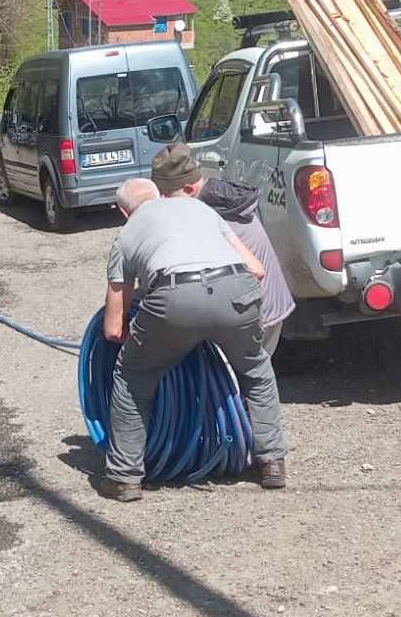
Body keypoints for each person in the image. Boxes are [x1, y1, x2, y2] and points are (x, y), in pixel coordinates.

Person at [97, 176, 288, 501]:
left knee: (131, 378)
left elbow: (113, 329)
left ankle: (124, 478)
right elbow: (256, 269)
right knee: (255, 369)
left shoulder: (126, 234)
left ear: (123, 212)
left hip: (174, 297)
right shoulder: (199, 209)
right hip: (237, 289)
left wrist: (159, 338)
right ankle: (272, 463)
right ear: (161, 197)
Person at [151, 143, 295, 356]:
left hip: (253, 314)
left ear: (189, 189)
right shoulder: (222, 195)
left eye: (166, 195)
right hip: (270, 304)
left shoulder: (206, 212)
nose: (162, 201)